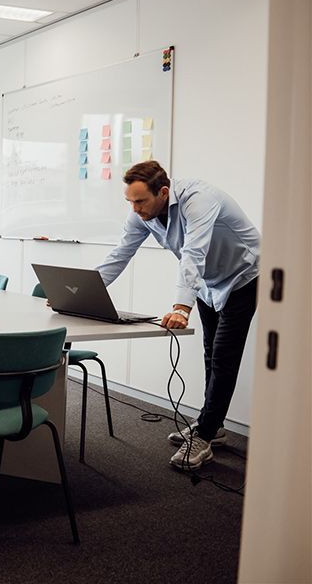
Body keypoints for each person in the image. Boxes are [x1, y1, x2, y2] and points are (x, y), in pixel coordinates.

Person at [96, 161, 260, 470]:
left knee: (224, 357)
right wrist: (87, 289)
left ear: (163, 192)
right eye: (130, 201)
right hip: (208, 281)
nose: (135, 209)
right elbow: (121, 253)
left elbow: (193, 253)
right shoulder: (142, 214)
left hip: (244, 277)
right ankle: (213, 426)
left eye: (140, 201)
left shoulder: (199, 199)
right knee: (211, 352)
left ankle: (204, 436)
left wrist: (181, 307)